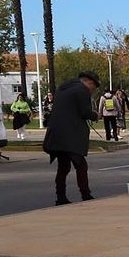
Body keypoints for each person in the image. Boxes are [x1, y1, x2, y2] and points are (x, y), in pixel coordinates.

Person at [43, 71, 100, 205]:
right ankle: (85, 194)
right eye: (94, 87)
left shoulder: (63, 89)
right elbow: (84, 112)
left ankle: (61, 197)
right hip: (71, 135)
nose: (92, 90)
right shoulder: (82, 90)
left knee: (63, 167)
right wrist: (95, 116)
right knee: (81, 165)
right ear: (89, 82)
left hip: (57, 135)